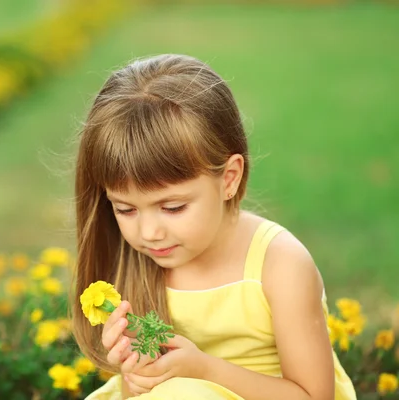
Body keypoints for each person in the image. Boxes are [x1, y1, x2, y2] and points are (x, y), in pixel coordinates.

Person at [70, 54, 356, 400]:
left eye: (173, 207)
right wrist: (138, 374)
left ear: (229, 179)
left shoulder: (279, 265)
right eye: (125, 209)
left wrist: (204, 370)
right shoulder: (139, 260)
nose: (148, 233)